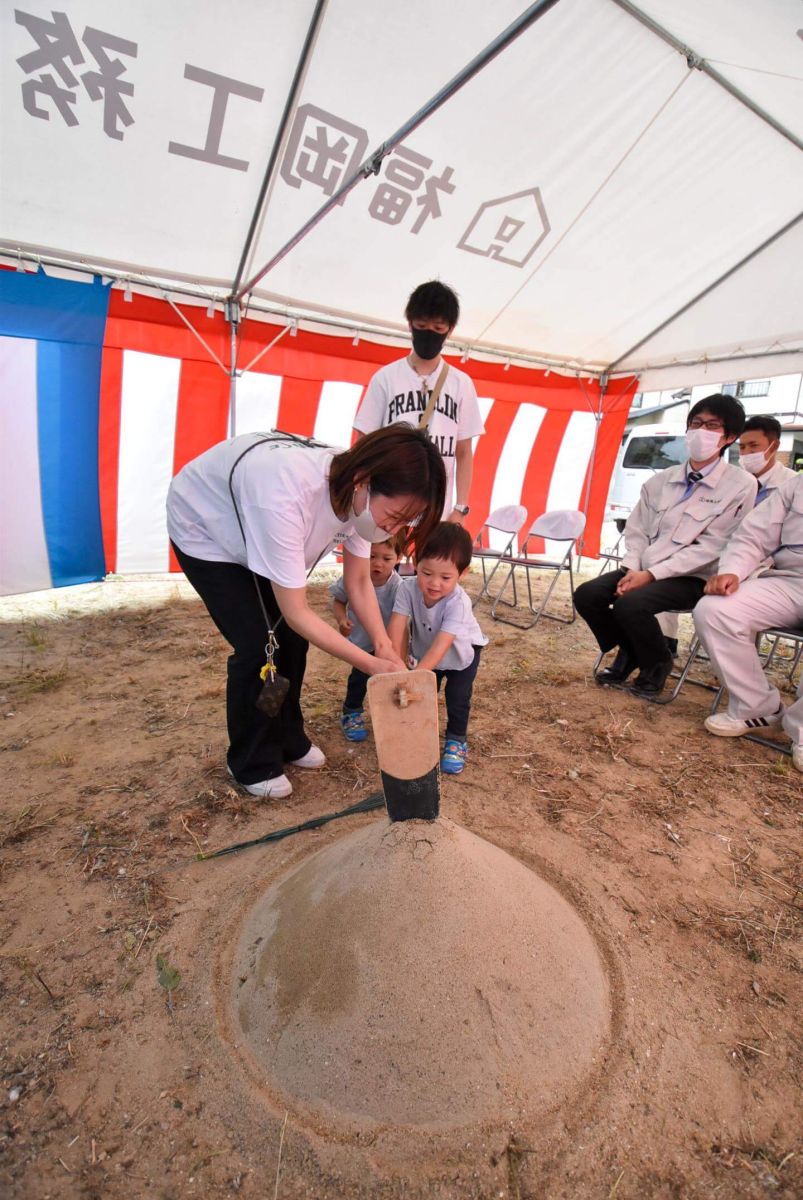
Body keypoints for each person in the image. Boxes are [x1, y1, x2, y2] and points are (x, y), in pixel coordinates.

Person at [166, 426, 445, 798]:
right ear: (364, 482)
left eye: (403, 522)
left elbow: (359, 582)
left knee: (293, 641)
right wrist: (371, 665)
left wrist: (383, 646)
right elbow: (296, 610)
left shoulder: (361, 499)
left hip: (255, 521)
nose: (392, 529)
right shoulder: (285, 493)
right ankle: (252, 762)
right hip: (207, 528)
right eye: (393, 516)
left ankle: (288, 737)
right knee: (259, 644)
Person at [574, 395, 756, 697]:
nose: (701, 432)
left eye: (712, 426)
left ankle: (657, 663)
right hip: (643, 569)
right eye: (696, 424)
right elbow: (636, 529)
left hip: (693, 576)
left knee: (631, 604)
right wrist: (633, 568)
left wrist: (652, 575)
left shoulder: (741, 485)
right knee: (588, 594)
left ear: (730, 437)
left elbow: (713, 546)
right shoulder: (662, 480)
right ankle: (631, 650)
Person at [693, 472, 803, 771]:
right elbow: (753, 534)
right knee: (715, 610)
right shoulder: (796, 485)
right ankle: (757, 708)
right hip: (792, 580)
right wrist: (733, 571)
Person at [352, 280, 485, 522]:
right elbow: (363, 441)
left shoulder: (461, 383)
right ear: (410, 324)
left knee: (430, 561)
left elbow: (464, 451)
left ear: (450, 329)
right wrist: (360, 491)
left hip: (437, 511)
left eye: (438, 327)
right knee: (382, 562)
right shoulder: (385, 378)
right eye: (421, 325)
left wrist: (461, 508)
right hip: (387, 505)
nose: (429, 333)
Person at [387, 523, 488, 775]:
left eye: (445, 577)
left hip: (460, 655)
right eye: (426, 573)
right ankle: (419, 732)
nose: (434, 583)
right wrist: (396, 667)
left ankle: (456, 740)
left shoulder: (458, 602)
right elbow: (396, 627)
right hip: (424, 650)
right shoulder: (406, 588)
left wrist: (415, 677)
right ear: (415, 562)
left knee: (456, 698)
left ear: (462, 574)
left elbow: (443, 645)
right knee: (424, 695)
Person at [330, 533, 404, 742]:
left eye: (386, 558)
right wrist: (342, 618)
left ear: (399, 558)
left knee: (389, 682)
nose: (378, 564)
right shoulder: (352, 577)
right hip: (362, 644)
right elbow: (338, 601)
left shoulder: (399, 586)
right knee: (359, 679)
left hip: (389, 646)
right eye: (371, 556)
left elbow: (404, 618)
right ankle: (351, 712)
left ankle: (391, 718)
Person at [738, 415, 796, 504]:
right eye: (742, 447)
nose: (746, 452)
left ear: (774, 446)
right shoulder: (734, 481)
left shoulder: (795, 485)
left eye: (754, 445)